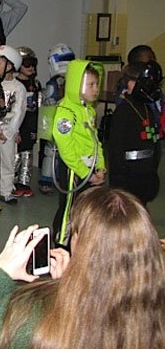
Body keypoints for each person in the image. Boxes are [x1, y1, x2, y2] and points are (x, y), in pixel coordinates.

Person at [0, 187, 165, 349]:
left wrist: (1, 271)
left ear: (80, 242)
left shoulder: (33, 312)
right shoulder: (153, 309)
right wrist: (70, 283)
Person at [51, 60, 105, 246]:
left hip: (89, 169)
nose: (95, 89)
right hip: (75, 169)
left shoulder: (87, 110)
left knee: (88, 209)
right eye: (90, 84)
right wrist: (85, 173)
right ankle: (60, 247)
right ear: (77, 85)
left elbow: (95, 140)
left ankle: (81, 243)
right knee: (69, 209)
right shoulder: (66, 112)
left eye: (96, 84)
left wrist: (101, 166)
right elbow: (66, 148)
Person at [108, 61, 162, 204]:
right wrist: (118, 179)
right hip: (127, 176)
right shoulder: (123, 112)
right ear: (131, 84)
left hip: (146, 174)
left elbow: (155, 142)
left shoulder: (148, 109)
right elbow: (116, 148)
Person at [0, 45, 26, 207]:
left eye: (0, 62)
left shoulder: (19, 88)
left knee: (8, 162)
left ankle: (6, 191)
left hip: (8, 133)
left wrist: (9, 132)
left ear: (10, 65)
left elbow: (19, 113)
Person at [39, 43, 75, 195]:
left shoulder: (73, 81)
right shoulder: (53, 84)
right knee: (52, 150)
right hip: (56, 119)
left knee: (64, 150)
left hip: (67, 120)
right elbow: (49, 102)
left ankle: (61, 178)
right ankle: (47, 179)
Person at [13, 46, 41, 198]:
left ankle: (24, 183)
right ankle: (12, 182)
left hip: (31, 123)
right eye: (27, 64)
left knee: (28, 155)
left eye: (33, 63)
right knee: (16, 155)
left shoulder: (35, 85)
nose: (31, 67)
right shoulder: (15, 85)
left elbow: (39, 106)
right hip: (19, 124)